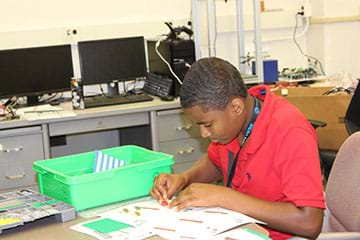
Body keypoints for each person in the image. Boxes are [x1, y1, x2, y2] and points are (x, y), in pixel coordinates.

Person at [150, 57, 325, 240]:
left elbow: (310, 223)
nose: (204, 134)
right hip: (236, 228)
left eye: (208, 125)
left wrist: (225, 197)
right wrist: (184, 178)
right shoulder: (233, 126)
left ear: (236, 107)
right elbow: (216, 162)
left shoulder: (290, 132)